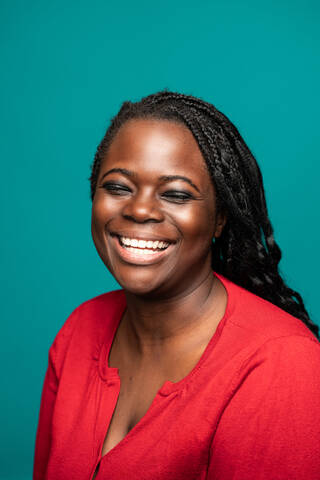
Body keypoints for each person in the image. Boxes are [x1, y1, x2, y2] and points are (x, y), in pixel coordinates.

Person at [33, 90, 320, 480]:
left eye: (176, 194)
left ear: (219, 219)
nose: (139, 209)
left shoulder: (281, 367)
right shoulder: (79, 331)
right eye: (118, 187)